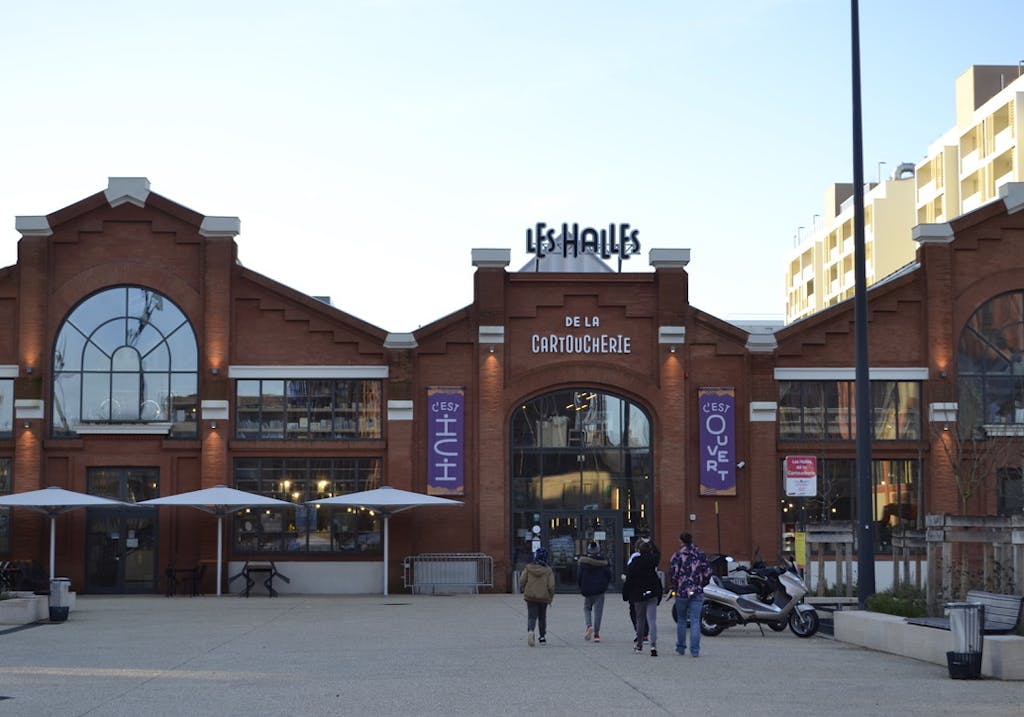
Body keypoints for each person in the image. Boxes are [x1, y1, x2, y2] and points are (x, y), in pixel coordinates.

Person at [669, 532, 713, 658]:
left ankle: (681, 647)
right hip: (697, 591)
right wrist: (701, 584)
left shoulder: (677, 555)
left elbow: (673, 574)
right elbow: (708, 572)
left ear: (680, 540)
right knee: (695, 620)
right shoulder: (701, 555)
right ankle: (695, 650)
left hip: (682, 591)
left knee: (681, 620)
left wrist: (676, 585)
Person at [623, 539, 662, 656]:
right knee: (652, 620)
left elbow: (629, 580)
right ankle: (653, 646)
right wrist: (652, 543)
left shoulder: (635, 563)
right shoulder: (652, 561)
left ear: (638, 550)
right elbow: (658, 554)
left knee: (640, 620)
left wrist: (625, 594)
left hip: (638, 595)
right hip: (652, 593)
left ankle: (639, 645)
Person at [519, 546, 554, 646]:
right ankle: (542, 637)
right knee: (542, 617)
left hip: (531, 595)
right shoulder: (548, 570)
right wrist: (550, 597)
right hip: (543, 597)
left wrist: (523, 589)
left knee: (531, 616)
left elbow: (522, 580)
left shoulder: (528, 568)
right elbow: (551, 586)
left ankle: (531, 631)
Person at [577, 541, 611, 642]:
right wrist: (605, 585)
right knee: (598, 612)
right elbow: (609, 575)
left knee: (587, 608)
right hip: (600, 590)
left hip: (587, 589)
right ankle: (596, 634)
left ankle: (589, 625)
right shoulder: (603, 562)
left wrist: (581, 587)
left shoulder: (583, 562)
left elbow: (579, 576)